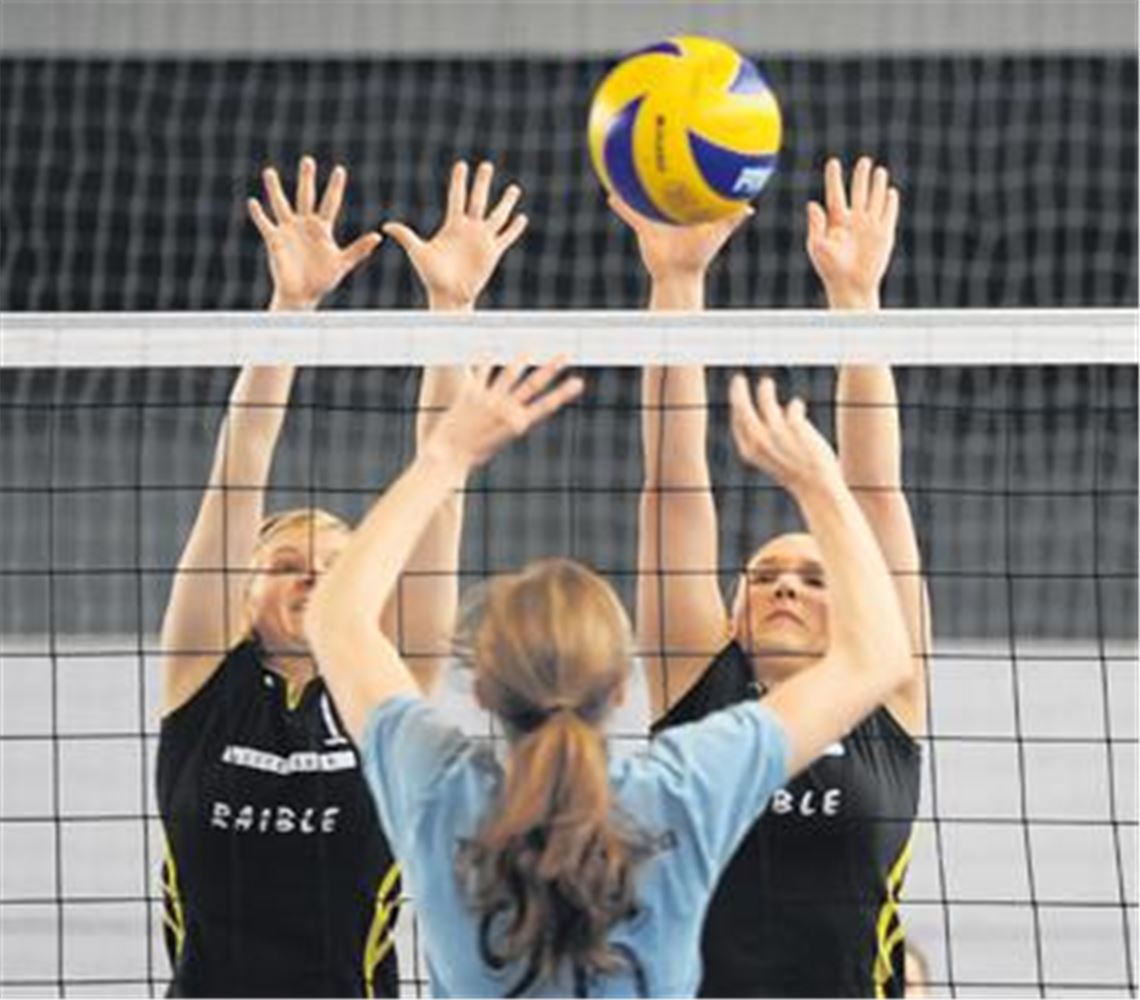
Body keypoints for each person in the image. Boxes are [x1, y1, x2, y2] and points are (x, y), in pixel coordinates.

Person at [304, 344, 915, 995]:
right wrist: (819, 484)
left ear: (481, 688)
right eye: (766, 576)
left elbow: (335, 619)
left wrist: (442, 458)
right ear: (623, 687)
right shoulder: (683, 786)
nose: (787, 590)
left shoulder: (439, 791)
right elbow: (878, 652)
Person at [157, 155, 528, 997]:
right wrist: (290, 311)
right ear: (244, 593)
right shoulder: (199, 685)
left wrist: (452, 314)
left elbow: (441, 498)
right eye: (285, 565)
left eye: (335, 568)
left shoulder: (382, 694)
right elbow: (238, 470)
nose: (310, 580)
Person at [615, 155, 929, 997]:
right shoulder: (698, 687)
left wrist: (856, 304)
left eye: (816, 580)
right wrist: (677, 282)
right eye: (764, 576)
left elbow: (873, 492)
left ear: (856, 607)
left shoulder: (883, 693)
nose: (786, 586)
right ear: (729, 613)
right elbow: (674, 482)